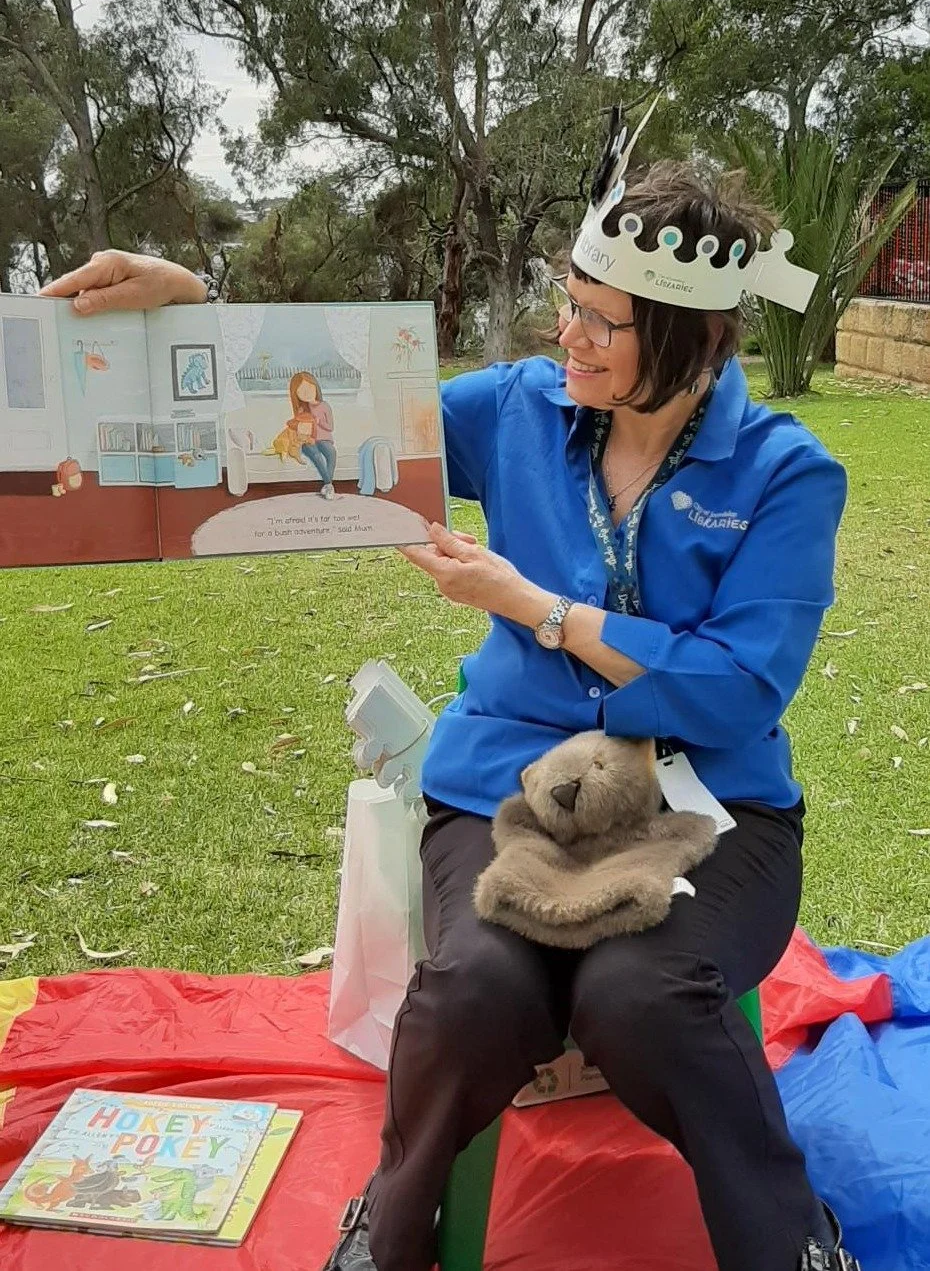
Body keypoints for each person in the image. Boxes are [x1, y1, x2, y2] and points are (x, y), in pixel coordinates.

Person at [40, 132, 860, 1271]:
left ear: (686, 335)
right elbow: (348, 403)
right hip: (509, 789)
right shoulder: (522, 407)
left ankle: (791, 1241)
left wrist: (541, 608)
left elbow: (738, 687)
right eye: (565, 303)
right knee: (473, 989)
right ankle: (396, 1225)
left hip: (711, 807)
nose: (563, 335)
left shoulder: (786, 473)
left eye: (599, 322)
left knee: (642, 994)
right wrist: (198, 304)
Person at [288, 370, 338, 500]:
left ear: (316, 387)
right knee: (316, 455)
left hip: (324, 439)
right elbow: (299, 428)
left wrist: (318, 421)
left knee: (331, 453)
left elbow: (330, 427)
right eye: (301, 391)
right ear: (296, 395)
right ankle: (329, 485)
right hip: (308, 441)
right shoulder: (302, 409)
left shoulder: (324, 406)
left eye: (309, 388)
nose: (307, 393)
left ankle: (328, 484)